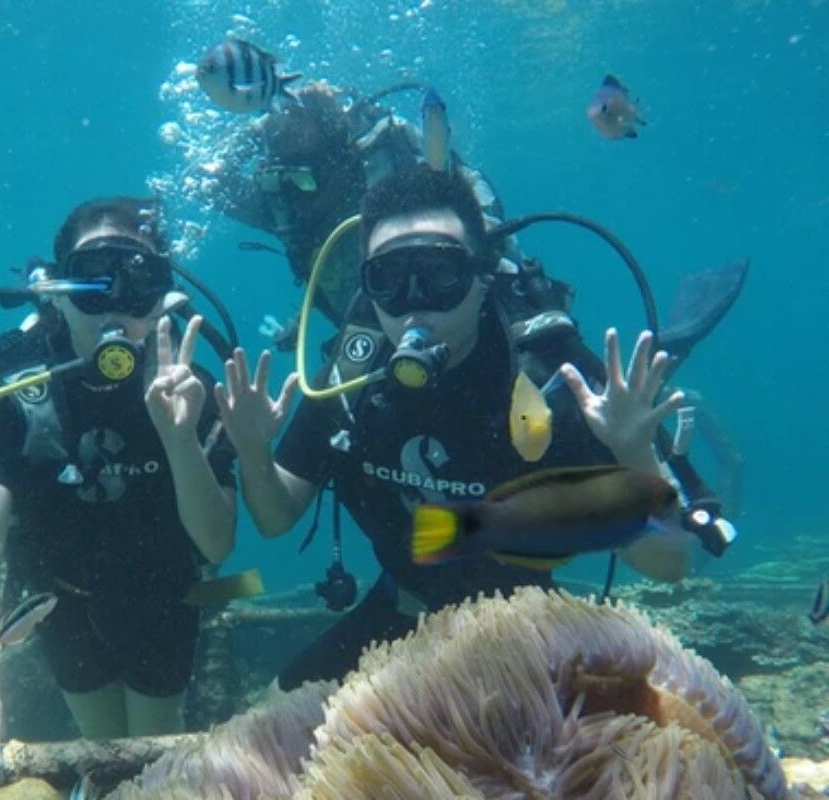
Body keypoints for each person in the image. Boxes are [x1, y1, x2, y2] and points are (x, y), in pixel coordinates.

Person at [213, 163, 722, 692]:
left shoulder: (545, 386)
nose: (414, 302)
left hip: (528, 630)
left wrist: (635, 451)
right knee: (274, 711)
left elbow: (668, 564)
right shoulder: (351, 378)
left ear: (482, 280)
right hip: (401, 609)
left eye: (439, 274)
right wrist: (253, 451)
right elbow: (275, 517)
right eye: (388, 279)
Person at [0, 197, 236, 795]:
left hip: (164, 596)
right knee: (101, 759)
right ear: (56, 292)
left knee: (153, 764)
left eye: (138, 284)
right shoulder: (10, 385)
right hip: (60, 600)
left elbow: (217, 542)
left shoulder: (192, 388)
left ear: (163, 298)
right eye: (94, 281)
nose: (116, 305)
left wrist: (179, 439)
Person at [214, 79, 515, 329]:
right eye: (292, 177)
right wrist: (257, 130)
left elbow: (463, 178)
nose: (303, 193)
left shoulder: (387, 150)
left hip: (452, 303)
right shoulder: (281, 200)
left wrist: (482, 240)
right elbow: (210, 181)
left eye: (308, 178)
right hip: (364, 329)